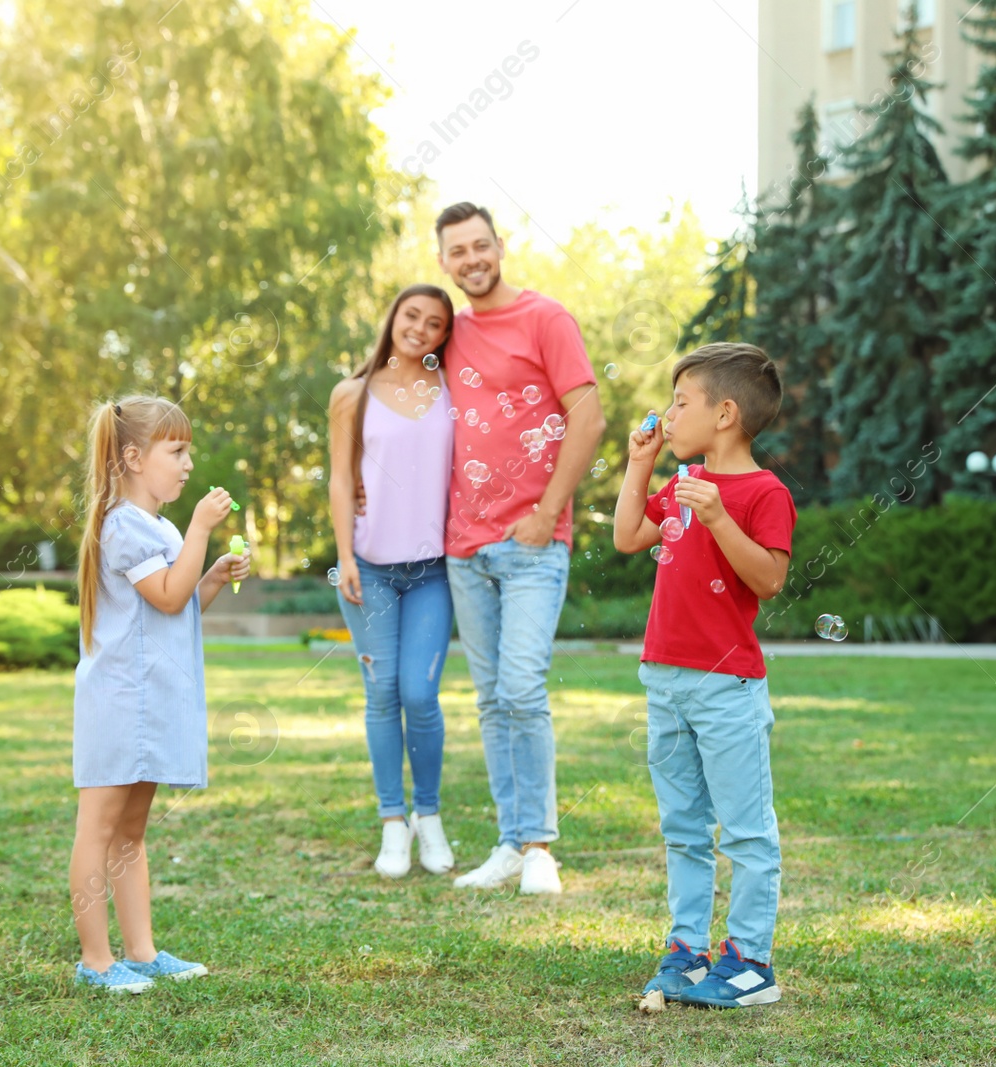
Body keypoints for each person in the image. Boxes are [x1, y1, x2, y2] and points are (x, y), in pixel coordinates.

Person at [612, 343, 796, 1009]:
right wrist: (640, 464)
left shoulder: (763, 492)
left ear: (723, 413)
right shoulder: (682, 479)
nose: (669, 412)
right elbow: (628, 534)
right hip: (665, 677)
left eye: (681, 401)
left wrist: (717, 516)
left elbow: (770, 579)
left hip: (727, 687)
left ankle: (750, 960)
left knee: (745, 829)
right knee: (683, 826)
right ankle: (688, 949)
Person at [434, 201, 605, 896]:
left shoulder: (545, 318)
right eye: (457, 251)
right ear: (442, 261)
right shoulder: (449, 334)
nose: (471, 259)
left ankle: (539, 845)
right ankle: (508, 841)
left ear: (500, 246)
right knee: (488, 697)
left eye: (480, 245)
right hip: (463, 547)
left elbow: (588, 416)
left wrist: (546, 511)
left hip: (532, 542)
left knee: (522, 688)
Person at [69, 395, 251, 993]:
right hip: (120, 702)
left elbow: (180, 608)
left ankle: (142, 952)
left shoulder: (160, 527)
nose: (188, 463)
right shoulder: (121, 525)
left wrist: (214, 575)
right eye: (176, 451)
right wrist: (201, 529)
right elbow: (168, 597)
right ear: (132, 456)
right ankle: (96, 961)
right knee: (98, 830)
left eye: (187, 451)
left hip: (148, 701)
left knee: (132, 833)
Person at [328, 284, 459, 879]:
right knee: (380, 697)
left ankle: (427, 817)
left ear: (443, 336)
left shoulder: (452, 390)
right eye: (412, 315)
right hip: (369, 571)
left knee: (419, 694)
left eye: (435, 324)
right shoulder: (351, 394)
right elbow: (339, 480)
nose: (421, 329)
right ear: (393, 318)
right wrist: (344, 556)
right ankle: (391, 824)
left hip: (433, 572)